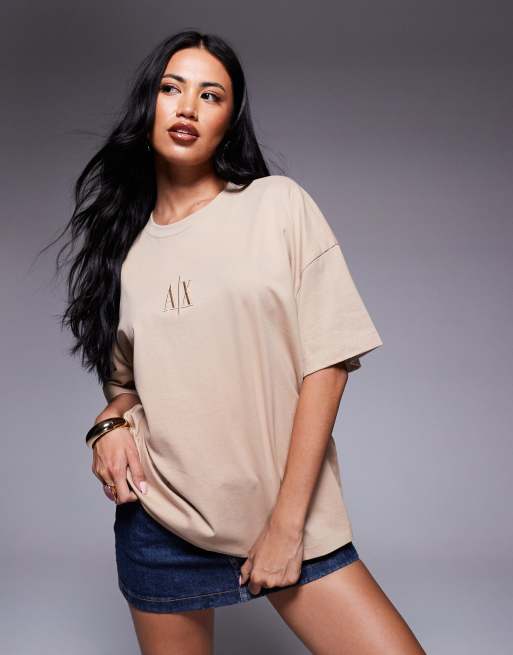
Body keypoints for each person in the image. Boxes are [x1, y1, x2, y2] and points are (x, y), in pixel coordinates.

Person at [54, 30, 426, 655]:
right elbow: (128, 389)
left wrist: (287, 525)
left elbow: (328, 363)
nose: (187, 107)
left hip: (287, 516)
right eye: (171, 89)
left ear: (230, 120)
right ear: (149, 104)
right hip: (161, 524)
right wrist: (108, 425)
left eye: (211, 95)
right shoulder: (125, 254)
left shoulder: (277, 206)